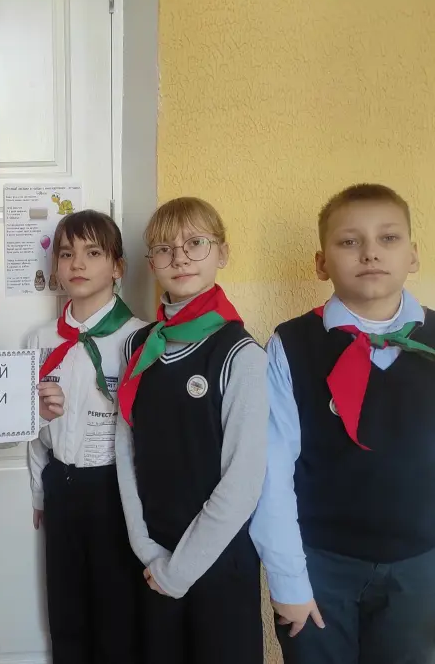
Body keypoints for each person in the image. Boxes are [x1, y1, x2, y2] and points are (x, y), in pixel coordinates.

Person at [250, 183, 435, 664]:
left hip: (422, 567)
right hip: (319, 565)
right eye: (349, 241)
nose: (370, 252)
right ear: (321, 263)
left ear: (413, 255)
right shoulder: (291, 344)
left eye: (388, 238)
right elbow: (271, 470)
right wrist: (288, 580)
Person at [115, 196, 267, 664]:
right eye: (164, 249)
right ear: (151, 264)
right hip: (152, 559)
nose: (180, 258)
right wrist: (145, 547)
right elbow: (126, 447)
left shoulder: (240, 355)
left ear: (222, 253)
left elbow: (243, 482)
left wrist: (179, 570)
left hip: (217, 561)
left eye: (195, 243)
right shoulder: (138, 345)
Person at [28, 209, 142, 663]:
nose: (77, 263)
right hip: (61, 486)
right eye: (66, 254)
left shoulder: (140, 338)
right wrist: (40, 493)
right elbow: (32, 434)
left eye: (93, 253)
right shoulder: (40, 339)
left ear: (117, 267)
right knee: (66, 612)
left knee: (117, 614)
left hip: (116, 491)